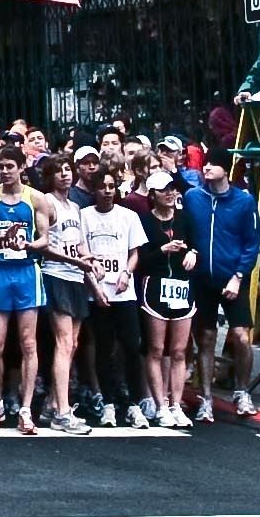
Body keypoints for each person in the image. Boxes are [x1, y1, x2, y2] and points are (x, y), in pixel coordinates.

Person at [0, 146, 48, 434]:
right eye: (0, 166)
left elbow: (44, 239)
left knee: (28, 343)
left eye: (9, 166)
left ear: (21, 167)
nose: (4, 171)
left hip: (27, 272)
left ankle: (26, 408)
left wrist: (28, 245)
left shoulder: (35, 198)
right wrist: (0, 238)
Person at [187, 147, 260, 421]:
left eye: (214, 164)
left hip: (232, 277)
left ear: (226, 170)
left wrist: (239, 275)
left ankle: (243, 391)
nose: (207, 168)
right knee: (205, 337)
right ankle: (206, 397)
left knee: (241, 335)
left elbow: (252, 243)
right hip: (203, 278)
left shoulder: (243, 201)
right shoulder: (193, 197)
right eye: (206, 164)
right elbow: (188, 232)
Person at [78, 168, 150, 429]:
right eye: (102, 186)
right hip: (97, 293)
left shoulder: (128, 217)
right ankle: (108, 403)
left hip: (123, 292)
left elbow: (135, 253)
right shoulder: (84, 216)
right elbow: (81, 252)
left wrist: (126, 273)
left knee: (131, 345)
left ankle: (132, 403)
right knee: (103, 348)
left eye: (111, 186)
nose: (107, 191)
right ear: (94, 190)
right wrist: (94, 283)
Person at [140, 169, 200, 427]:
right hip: (155, 287)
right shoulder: (144, 221)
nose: (170, 193)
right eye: (164, 190)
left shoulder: (185, 219)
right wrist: (162, 249)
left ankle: (176, 404)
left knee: (178, 350)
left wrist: (193, 254)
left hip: (182, 287)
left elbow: (196, 244)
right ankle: (159, 403)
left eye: (172, 189)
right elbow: (140, 260)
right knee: (156, 348)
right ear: (152, 194)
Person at [38, 154, 92, 433]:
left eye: (67, 169)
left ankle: (51, 404)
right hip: (56, 274)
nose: (65, 174)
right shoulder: (47, 202)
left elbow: (81, 244)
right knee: (63, 341)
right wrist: (76, 262)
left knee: (73, 344)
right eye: (58, 171)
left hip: (75, 277)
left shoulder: (75, 206)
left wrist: (90, 264)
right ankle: (62, 411)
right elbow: (44, 245)